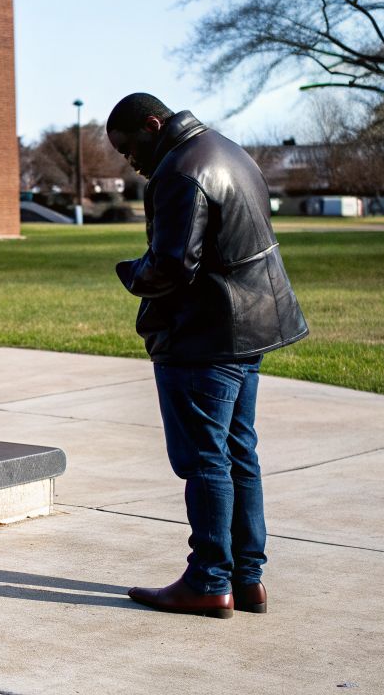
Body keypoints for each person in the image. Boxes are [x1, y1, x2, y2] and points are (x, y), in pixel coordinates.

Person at [106, 93, 309, 619]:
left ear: (153, 125)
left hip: (206, 336)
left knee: (205, 459)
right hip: (249, 328)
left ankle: (209, 580)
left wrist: (131, 273)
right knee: (239, 453)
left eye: (130, 149)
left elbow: (174, 266)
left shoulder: (181, 170)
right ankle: (247, 580)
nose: (131, 162)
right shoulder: (228, 151)